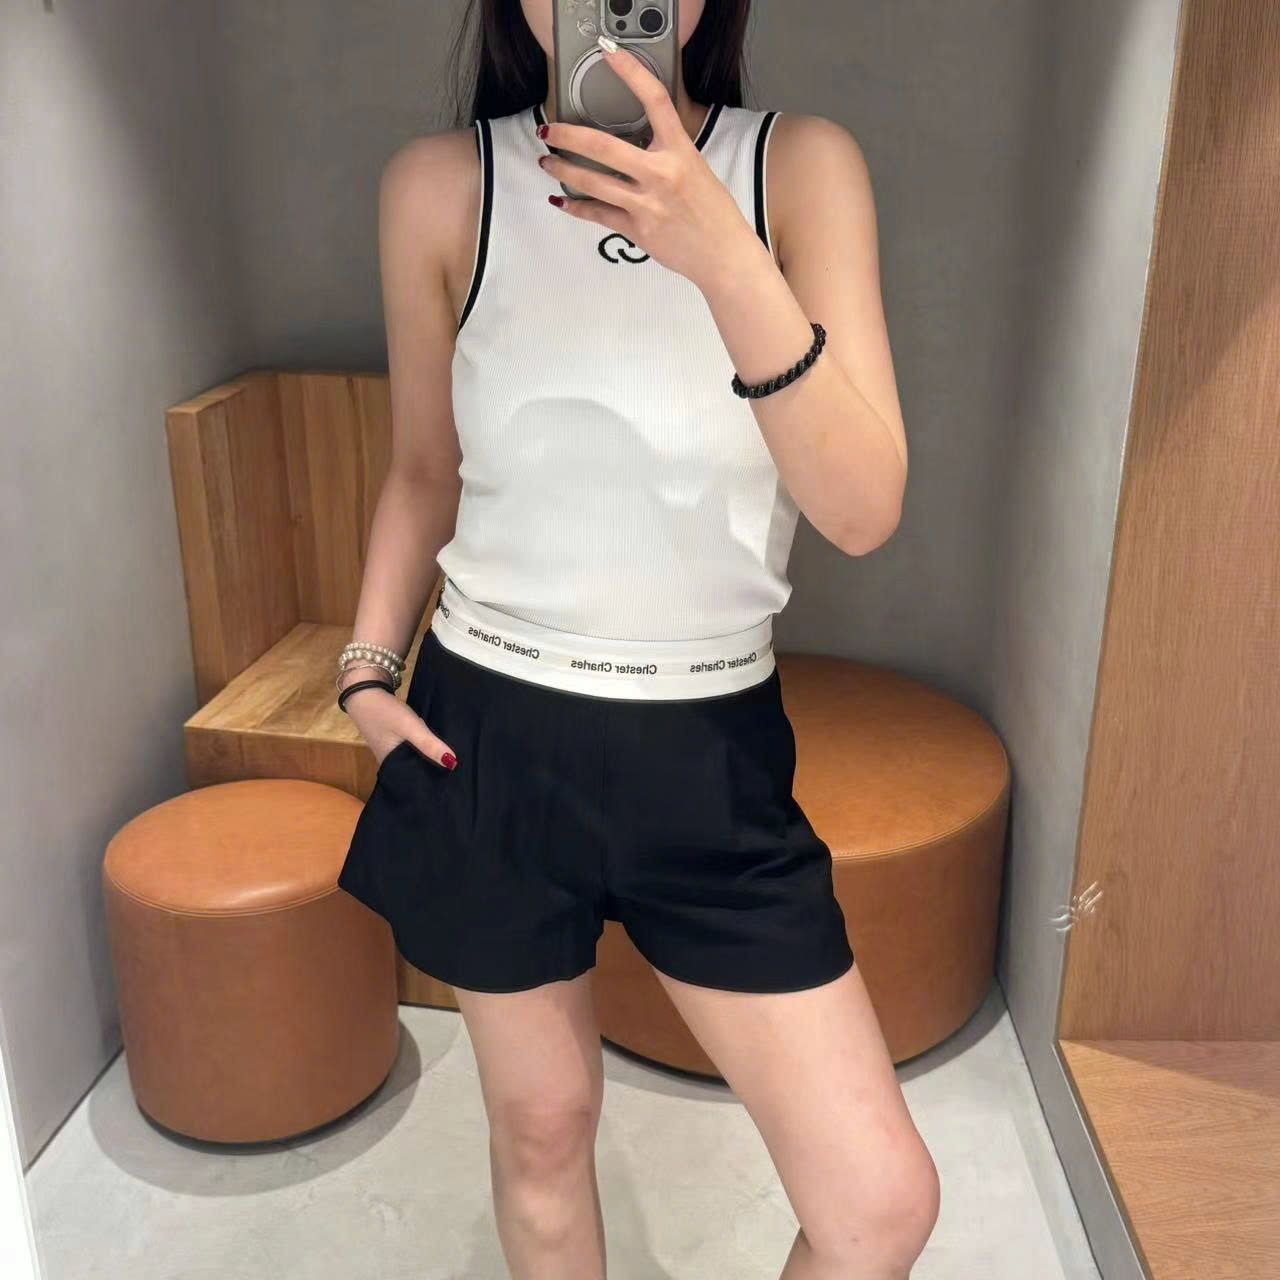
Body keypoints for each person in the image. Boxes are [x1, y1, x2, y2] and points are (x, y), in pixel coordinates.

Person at [336, 2, 936, 1276]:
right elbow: (422, 468)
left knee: (878, 1203)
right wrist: (364, 672)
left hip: (709, 748)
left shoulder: (798, 168)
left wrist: (722, 257)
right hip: (487, 730)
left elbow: (861, 509)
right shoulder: (438, 186)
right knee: (542, 1130)